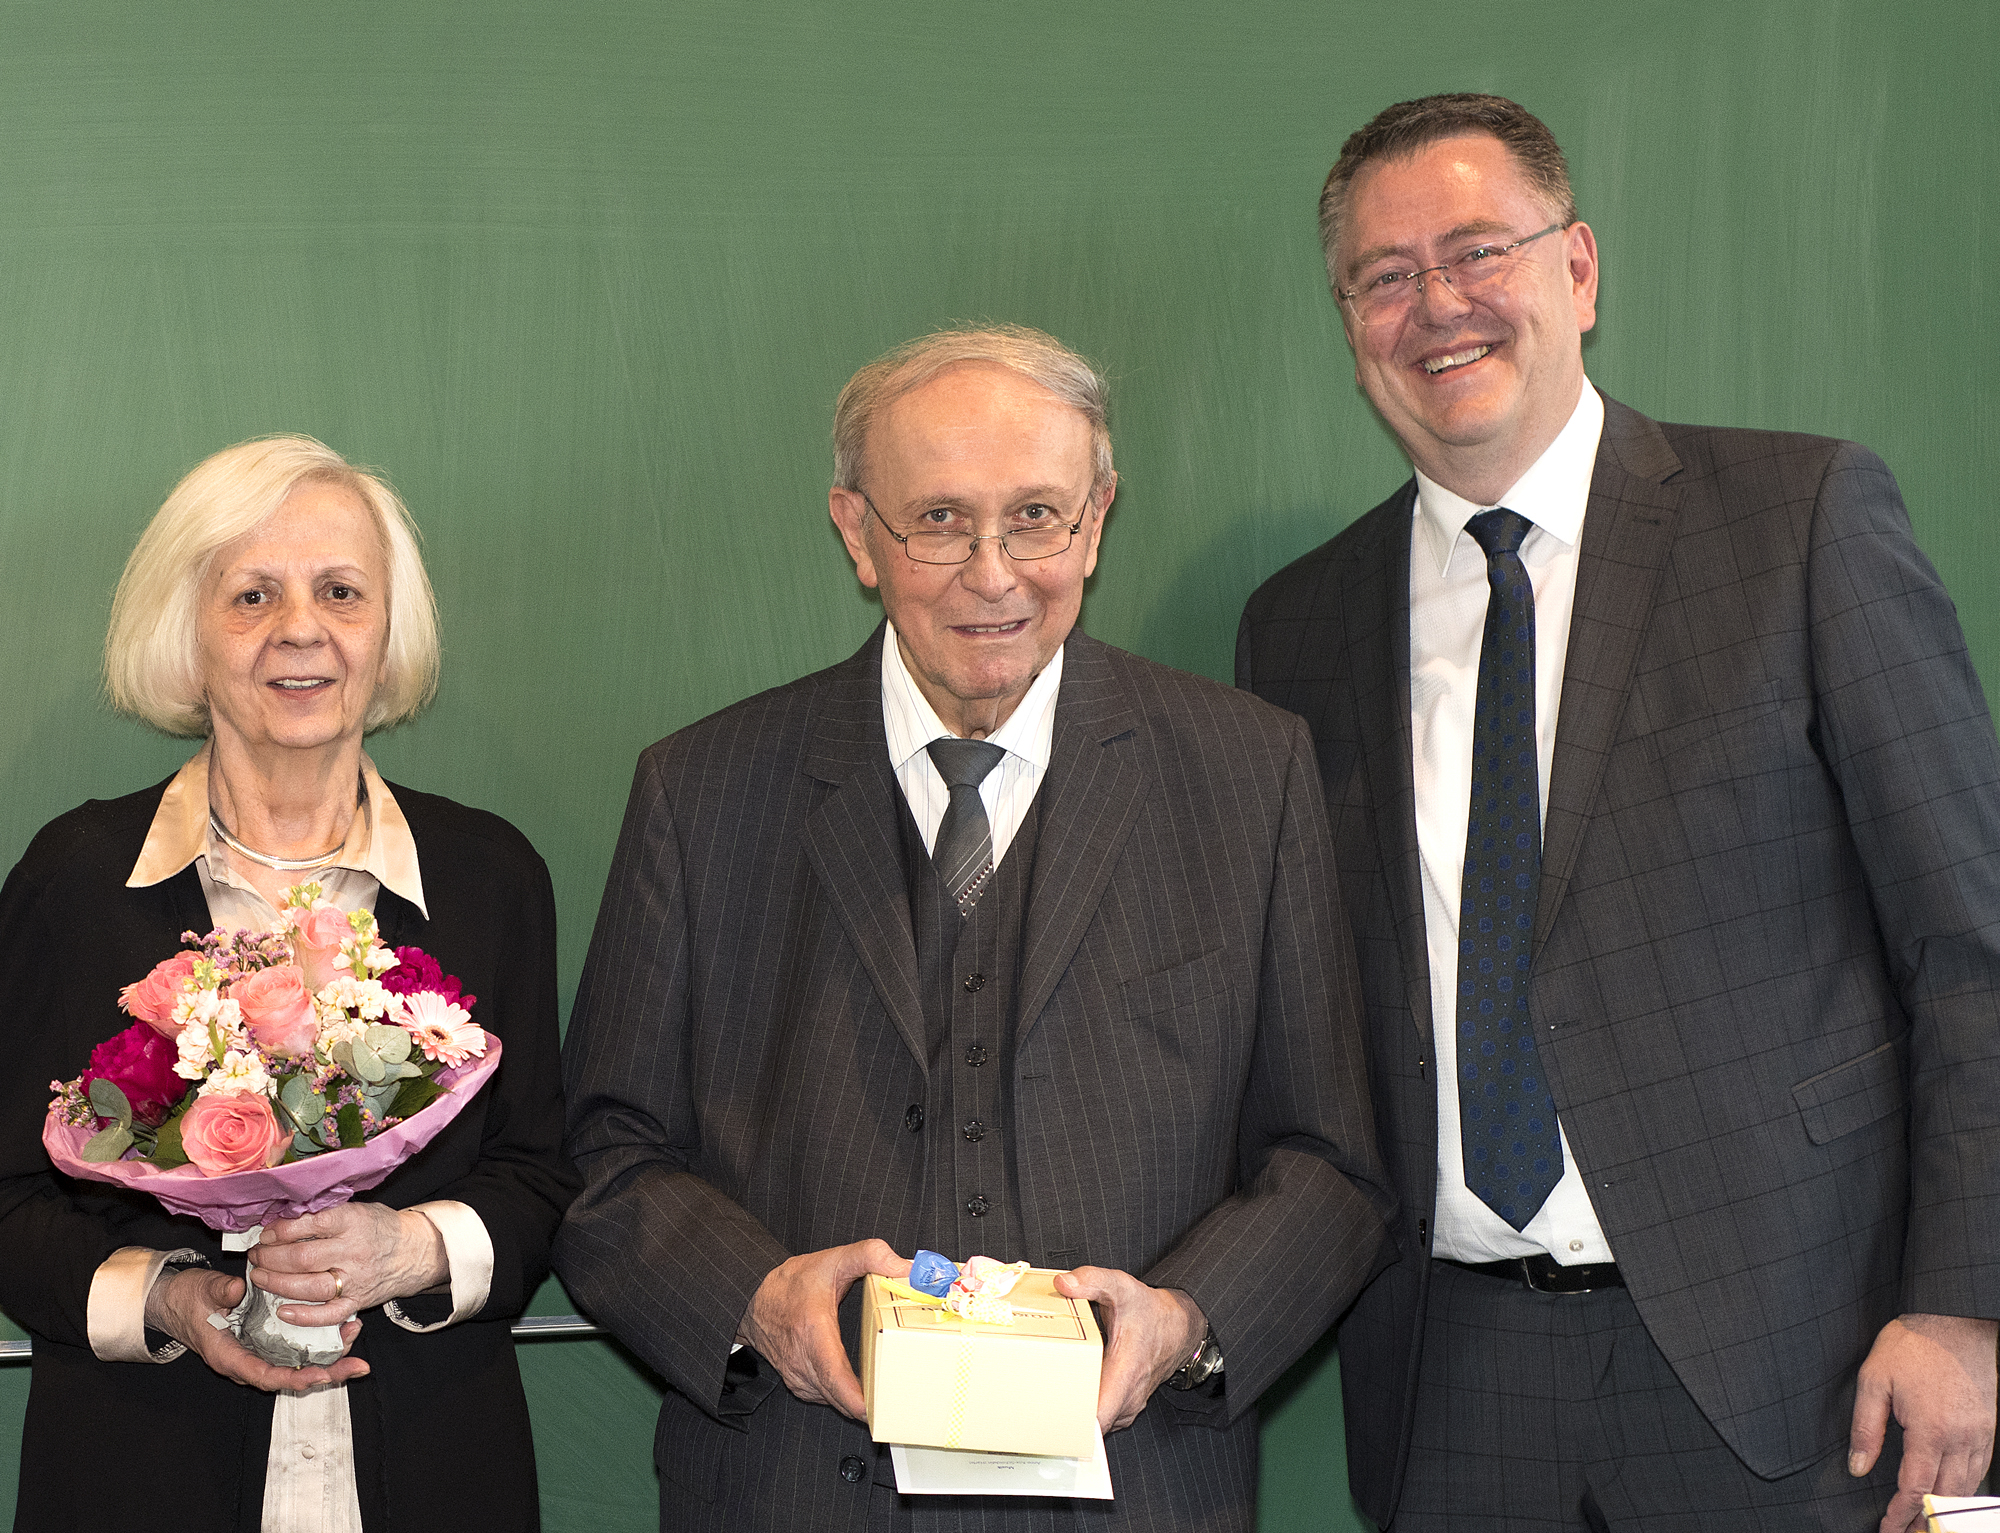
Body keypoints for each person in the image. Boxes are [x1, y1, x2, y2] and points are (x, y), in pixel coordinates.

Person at [1236, 93, 2000, 1532]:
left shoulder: (1798, 520)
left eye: (1479, 251)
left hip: (1799, 1368)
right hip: (1452, 1389)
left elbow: (1974, 948)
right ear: (1349, 322)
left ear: (1578, 268)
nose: (1437, 306)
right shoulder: (1300, 628)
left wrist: (1967, 1307)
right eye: (1385, 277)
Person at [557, 324, 1392, 1531]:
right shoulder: (702, 790)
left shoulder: (1245, 774)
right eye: (938, 521)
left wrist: (1190, 1320)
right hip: (796, 1491)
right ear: (855, 531)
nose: (992, 573)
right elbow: (612, 1154)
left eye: (1036, 517)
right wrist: (752, 1299)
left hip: (1137, 1491)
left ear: (1096, 519)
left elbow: (1329, 1163)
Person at [0, 437, 577, 1531]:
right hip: (139, 1476)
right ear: (190, 634)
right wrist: (171, 1297)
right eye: (251, 595)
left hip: (436, 1472)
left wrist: (404, 1252)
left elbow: (545, 1182)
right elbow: (8, 1200)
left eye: (341, 591)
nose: (300, 628)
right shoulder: (78, 879)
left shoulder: (491, 877)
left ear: (385, 629)